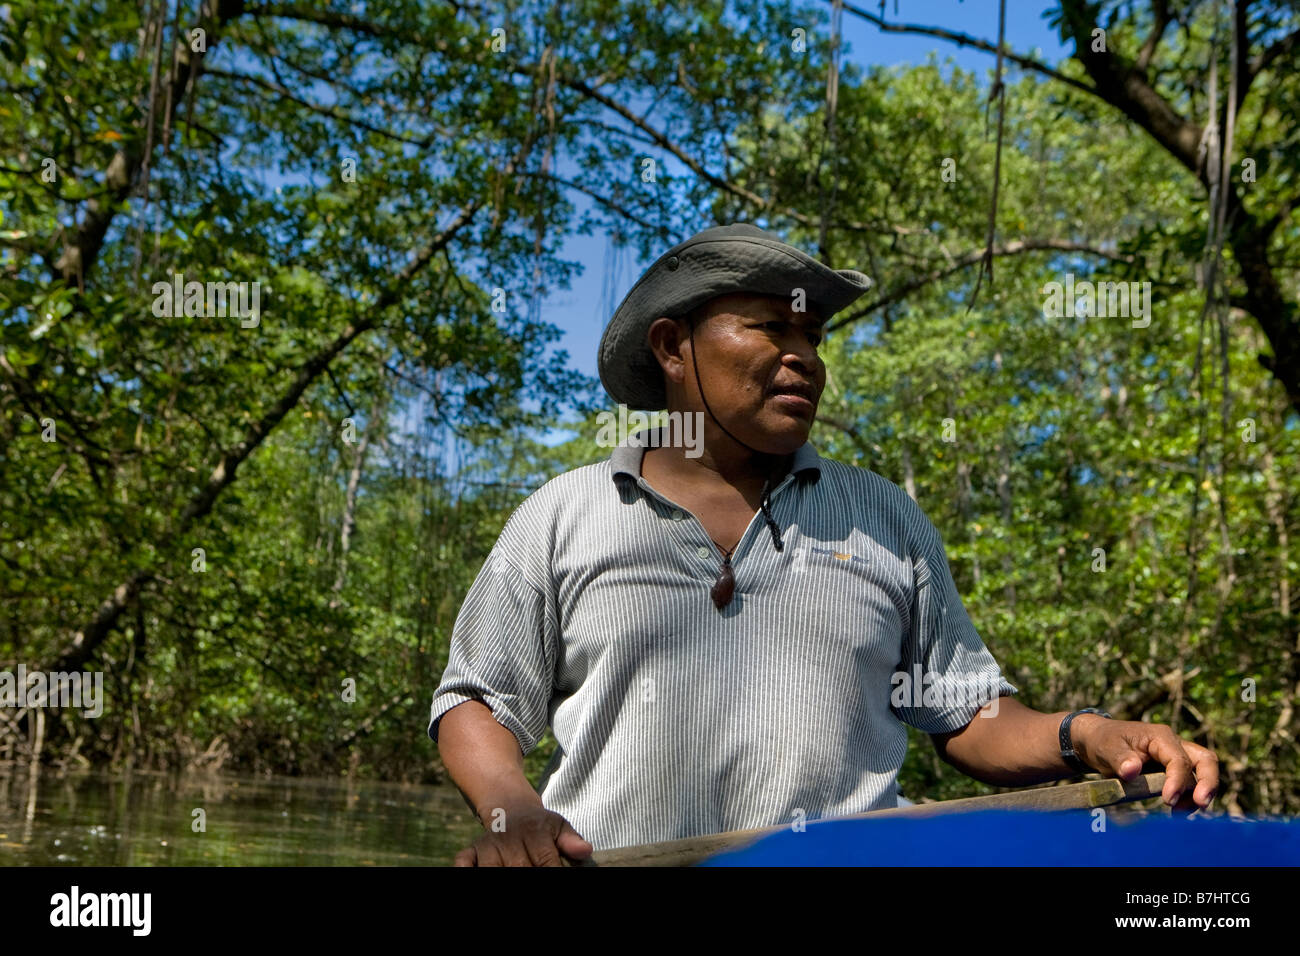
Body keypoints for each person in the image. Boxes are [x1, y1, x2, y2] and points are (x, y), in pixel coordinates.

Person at [429, 223, 1219, 867]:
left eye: (812, 334)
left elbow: (969, 718)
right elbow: (477, 699)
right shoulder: (565, 513)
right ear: (673, 348)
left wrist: (1087, 736)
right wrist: (516, 810)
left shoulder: (883, 515)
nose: (803, 356)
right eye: (771, 328)